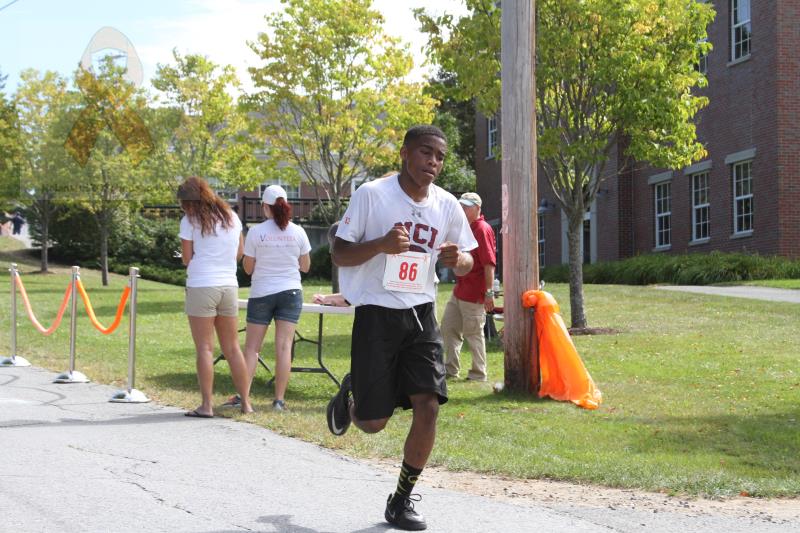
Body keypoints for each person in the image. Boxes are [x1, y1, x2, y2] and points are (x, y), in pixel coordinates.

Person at [326, 125, 476, 531]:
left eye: (440, 156)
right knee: (372, 423)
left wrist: (457, 259)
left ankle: (401, 500)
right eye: (426, 152)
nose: (433, 162)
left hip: (420, 312)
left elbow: (467, 261)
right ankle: (353, 394)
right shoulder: (372, 194)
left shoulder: (447, 204)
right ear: (405, 154)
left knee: (429, 406)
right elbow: (339, 253)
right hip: (376, 313)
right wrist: (380, 245)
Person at [177, 177, 253, 417]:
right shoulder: (232, 217)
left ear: (187, 202)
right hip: (228, 285)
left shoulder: (189, 220)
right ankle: (246, 403)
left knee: (205, 348)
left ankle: (206, 405)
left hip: (201, 285)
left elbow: (186, 258)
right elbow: (240, 253)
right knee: (233, 347)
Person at [241, 185, 311, 411]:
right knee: (284, 347)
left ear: (265, 206)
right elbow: (306, 266)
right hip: (291, 292)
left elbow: (248, 269)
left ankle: (244, 398)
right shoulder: (298, 231)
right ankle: (279, 400)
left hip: (262, 292)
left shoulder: (256, 232)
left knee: (252, 348)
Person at [440, 192, 497, 382]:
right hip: (459, 291)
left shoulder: (482, 228)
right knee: (448, 327)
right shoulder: (464, 228)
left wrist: (489, 293)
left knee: (473, 334)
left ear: (477, 208)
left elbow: (489, 263)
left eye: (466, 206)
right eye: (461, 206)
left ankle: (478, 374)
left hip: (474, 293)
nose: (462, 209)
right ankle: (450, 370)